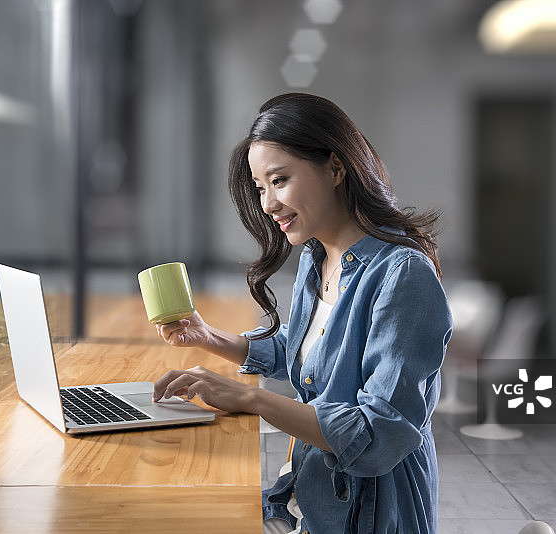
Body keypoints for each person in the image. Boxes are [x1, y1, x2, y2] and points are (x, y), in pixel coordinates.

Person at [153, 93, 452, 533]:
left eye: (279, 180)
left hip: (376, 510)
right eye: (260, 188)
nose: (268, 205)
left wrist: (250, 398)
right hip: (317, 495)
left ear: (335, 168)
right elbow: (307, 351)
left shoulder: (404, 276)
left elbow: (379, 431)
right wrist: (209, 338)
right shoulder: (317, 256)